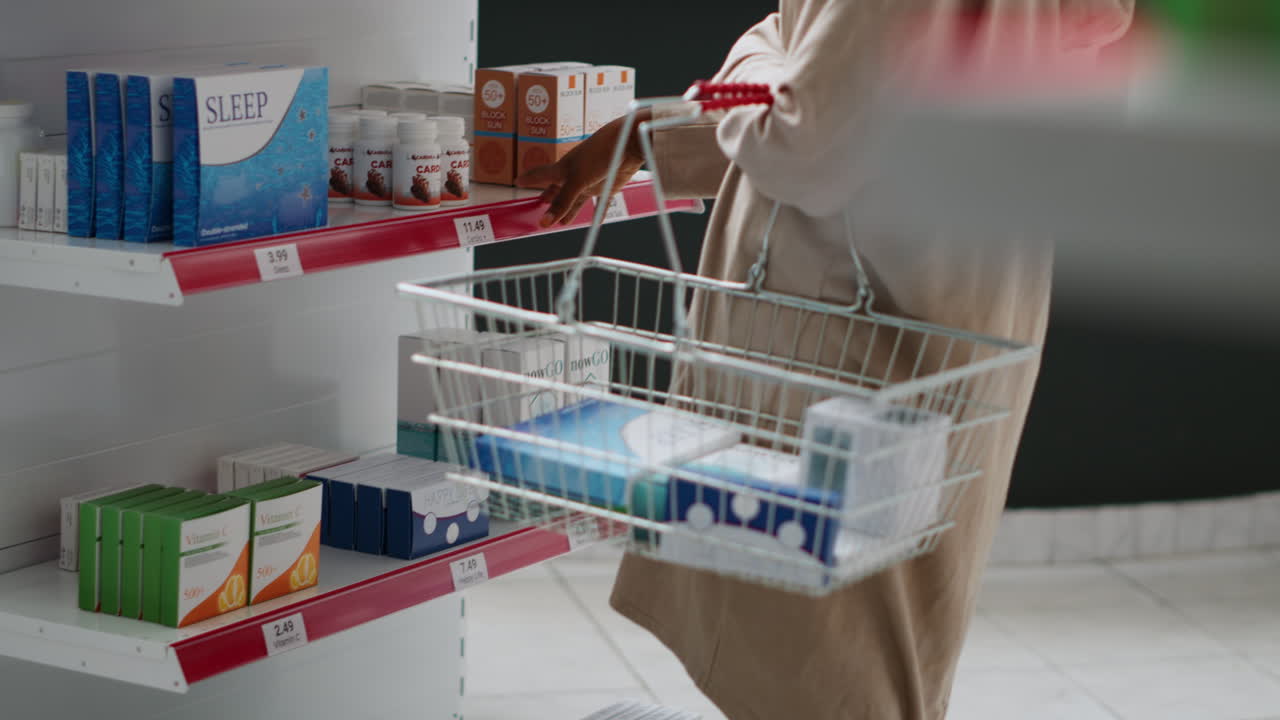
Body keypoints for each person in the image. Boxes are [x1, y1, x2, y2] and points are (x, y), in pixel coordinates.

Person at [518, 2, 1136, 718]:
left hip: (843, 324)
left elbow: (806, 138)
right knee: (890, 613)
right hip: (959, 295)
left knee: (820, 636)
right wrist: (659, 132)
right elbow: (869, 90)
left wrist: (757, 57)